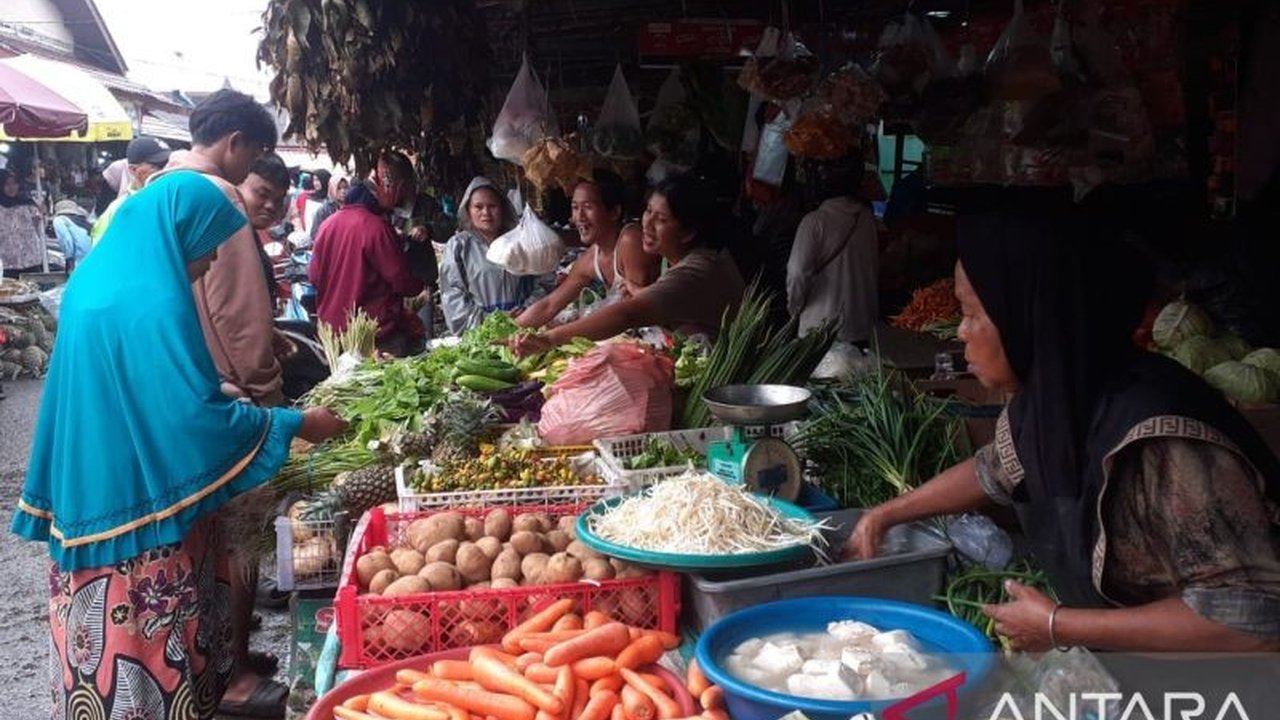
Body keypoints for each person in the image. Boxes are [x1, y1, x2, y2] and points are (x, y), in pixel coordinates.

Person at [846, 209, 1280, 654]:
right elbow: (993, 471)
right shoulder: (1059, 400)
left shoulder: (1162, 440)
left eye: (972, 314)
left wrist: (1060, 625)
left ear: (1029, 318)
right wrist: (886, 514)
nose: (960, 332)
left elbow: (1251, 620)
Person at [10, 167, 346, 720]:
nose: (211, 261)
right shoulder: (152, 300)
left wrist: (214, 389)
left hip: (96, 483)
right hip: (136, 505)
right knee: (142, 656)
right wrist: (294, 423)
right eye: (208, 246)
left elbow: (140, 388)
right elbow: (190, 422)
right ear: (179, 230)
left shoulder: (104, 282)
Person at [513, 174, 745, 355]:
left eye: (661, 219)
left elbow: (628, 314)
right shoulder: (671, 259)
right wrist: (513, 326)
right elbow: (550, 304)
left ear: (688, 233)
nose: (647, 224)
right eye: (648, 212)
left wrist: (550, 339)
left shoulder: (698, 268)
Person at [515, 170, 659, 329]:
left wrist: (558, 335)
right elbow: (549, 305)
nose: (579, 217)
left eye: (588, 207)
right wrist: (510, 329)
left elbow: (634, 312)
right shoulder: (592, 258)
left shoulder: (630, 240)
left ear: (614, 212)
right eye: (575, 207)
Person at [309, 182, 424, 355]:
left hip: (333, 332)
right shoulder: (376, 227)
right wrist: (420, 285)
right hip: (375, 334)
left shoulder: (326, 226)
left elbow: (314, 277)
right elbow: (401, 280)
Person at [786, 159, 879, 345]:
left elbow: (797, 273)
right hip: (862, 328)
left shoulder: (814, 222)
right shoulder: (867, 217)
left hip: (820, 331)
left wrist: (794, 309)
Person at [440, 176, 535, 334]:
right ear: (468, 211)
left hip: (524, 329)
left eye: (492, 206)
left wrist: (528, 310)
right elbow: (453, 295)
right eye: (478, 207)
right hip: (482, 335)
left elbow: (543, 280)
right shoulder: (458, 246)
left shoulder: (520, 241)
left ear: (502, 208)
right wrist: (491, 321)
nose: (486, 213)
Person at [376, 152, 440, 339]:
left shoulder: (425, 203)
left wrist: (428, 228)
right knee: (395, 340)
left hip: (421, 284)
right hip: (390, 290)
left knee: (422, 336)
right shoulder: (381, 210)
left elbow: (448, 226)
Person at [90, 136, 173, 246]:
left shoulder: (176, 201)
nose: (166, 171)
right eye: (157, 166)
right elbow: (100, 251)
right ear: (133, 170)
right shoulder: (118, 209)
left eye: (168, 164)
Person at [0, 168, 45, 277]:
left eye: (14, 183)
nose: (12, 187)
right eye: (7, 184)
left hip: (31, 259)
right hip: (7, 262)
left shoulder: (28, 203)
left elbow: (39, 227)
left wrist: (42, 212)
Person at [307, 171, 349, 244]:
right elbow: (315, 235)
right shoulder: (324, 210)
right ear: (332, 189)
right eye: (338, 188)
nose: (343, 191)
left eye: (345, 188)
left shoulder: (351, 208)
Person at [51, 199, 92, 268]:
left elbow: (66, 240)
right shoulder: (86, 222)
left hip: (79, 261)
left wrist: (69, 259)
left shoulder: (59, 220)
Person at [299, 169, 331, 233]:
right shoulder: (310, 199)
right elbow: (308, 222)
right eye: (314, 180)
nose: (315, 183)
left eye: (318, 180)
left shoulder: (332, 200)